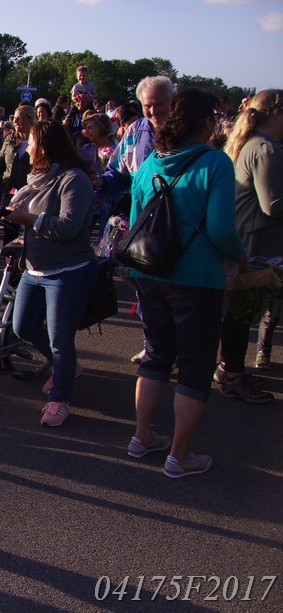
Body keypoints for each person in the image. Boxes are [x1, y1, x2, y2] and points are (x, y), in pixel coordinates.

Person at [127, 88, 245, 478]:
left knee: (156, 356)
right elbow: (222, 230)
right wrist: (242, 259)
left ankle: (142, 436)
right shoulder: (215, 162)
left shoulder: (149, 164)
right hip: (197, 279)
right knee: (194, 366)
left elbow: (135, 224)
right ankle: (179, 456)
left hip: (150, 273)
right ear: (206, 122)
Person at [3, 120, 97, 427]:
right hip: (36, 269)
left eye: (30, 142)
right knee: (23, 326)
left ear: (43, 147)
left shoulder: (74, 179)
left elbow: (68, 227)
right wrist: (22, 233)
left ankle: (60, 397)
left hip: (68, 272)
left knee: (60, 340)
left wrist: (28, 220)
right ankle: (68, 367)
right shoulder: (39, 179)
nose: (26, 148)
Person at [213, 89, 283, 401]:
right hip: (256, 240)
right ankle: (232, 374)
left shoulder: (251, 143)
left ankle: (230, 369)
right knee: (242, 311)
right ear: (277, 113)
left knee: (241, 311)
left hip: (247, 237)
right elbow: (273, 204)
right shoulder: (265, 148)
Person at [100, 76, 175, 364]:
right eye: (148, 106)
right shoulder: (134, 131)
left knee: (174, 290)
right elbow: (117, 172)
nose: (154, 111)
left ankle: (173, 349)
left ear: (172, 102)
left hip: (176, 223)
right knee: (146, 288)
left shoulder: (186, 130)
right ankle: (154, 346)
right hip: (141, 222)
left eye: (160, 104)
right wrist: (99, 182)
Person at [0, 104, 35, 207]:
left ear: (29, 120)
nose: (15, 121)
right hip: (8, 191)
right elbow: (1, 163)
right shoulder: (10, 139)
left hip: (28, 193)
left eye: (19, 118)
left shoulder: (37, 141)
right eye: (14, 118)